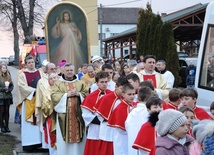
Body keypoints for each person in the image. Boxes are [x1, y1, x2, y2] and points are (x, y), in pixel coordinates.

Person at [51, 63, 88, 155]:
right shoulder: (58, 84)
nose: (69, 72)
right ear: (63, 71)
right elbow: (53, 96)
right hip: (64, 117)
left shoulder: (80, 83)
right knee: (63, 142)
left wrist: (79, 94)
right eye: (67, 70)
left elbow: (87, 95)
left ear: (74, 71)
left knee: (79, 139)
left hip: (78, 115)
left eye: (71, 70)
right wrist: (66, 95)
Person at [94, 76, 129, 155]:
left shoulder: (126, 99)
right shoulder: (106, 98)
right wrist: (110, 119)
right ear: (116, 87)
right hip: (108, 130)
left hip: (121, 131)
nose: (123, 91)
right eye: (122, 88)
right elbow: (99, 115)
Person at [81, 71, 112, 155]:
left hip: (108, 129)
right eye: (102, 82)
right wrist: (102, 120)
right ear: (97, 83)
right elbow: (86, 115)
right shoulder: (90, 97)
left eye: (106, 82)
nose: (104, 84)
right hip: (95, 129)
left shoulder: (112, 95)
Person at [16, 56, 43, 151]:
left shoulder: (40, 72)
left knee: (39, 122)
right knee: (29, 125)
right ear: (26, 64)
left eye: (32, 62)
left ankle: (40, 143)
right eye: (29, 62)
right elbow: (22, 87)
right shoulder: (22, 75)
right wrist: (35, 90)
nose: (31, 64)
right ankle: (29, 145)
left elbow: (44, 83)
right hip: (29, 101)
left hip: (39, 102)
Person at [35, 62, 57, 153]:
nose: (53, 70)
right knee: (49, 130)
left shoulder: (59, 79)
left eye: (54, 68)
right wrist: (39, 108)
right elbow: (39, 96)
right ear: (47, 70)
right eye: (51, 69)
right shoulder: (41, 81)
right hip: (47, 109)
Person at [108, 83, 135, 155]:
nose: (132, 96)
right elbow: (120, 129)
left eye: (133, 94)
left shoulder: (133, 105)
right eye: (129, 94)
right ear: (123, 94)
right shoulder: (120, 108)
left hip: (130, 138)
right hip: (122, 138)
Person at [125, 87, 153, 155]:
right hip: (145, 147)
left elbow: (126, 126)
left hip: (132, 144)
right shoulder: (149, 113)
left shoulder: (132, 112)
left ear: (138, 98)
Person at [0, 63, 13, 133]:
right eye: (3, 68)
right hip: (1, 97)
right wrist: (3, 89)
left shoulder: (8, 76)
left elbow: (12, 85)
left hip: (7, 96)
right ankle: (2, 126)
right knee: (2, 112)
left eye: (5, 68)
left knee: (7, 112)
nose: (4, 69)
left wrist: (9, 89)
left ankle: (7, 126)